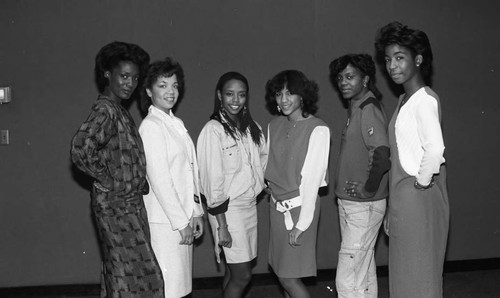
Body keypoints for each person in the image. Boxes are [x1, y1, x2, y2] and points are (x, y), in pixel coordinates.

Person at [70, 41, 164, 297]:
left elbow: (123, 155)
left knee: (122, 274)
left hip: (128, 204)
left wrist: (135, 180)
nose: (130, 83)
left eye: (134, 78)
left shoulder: (119, 111)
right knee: (144, 278)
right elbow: (80, 148)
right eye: (124, 76)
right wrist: (108, 179)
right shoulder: (106, 111)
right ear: (107, 74)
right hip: (116, 207)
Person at [375, 21, 449, 297]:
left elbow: (435, 149)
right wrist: (395, 206)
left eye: (399, 58)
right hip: (404, 198)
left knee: (419, 273)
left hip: (417, 197)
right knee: (406, 274)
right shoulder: (406, 99)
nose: (392, 66)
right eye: (387, 60)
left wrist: (418, 186)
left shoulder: (424, 100)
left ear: (417, 60)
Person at [197, 71, 267, 297]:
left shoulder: (251, 127)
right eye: (229, 94)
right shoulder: (213, 130)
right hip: (227, 210)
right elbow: (211, 181)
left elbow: (262, 160)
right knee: (243, 275)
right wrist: (222, 225)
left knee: (232, 270)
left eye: (241, 95)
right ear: (219, 95)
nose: (235, 100)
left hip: (248, 207)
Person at [138, 57, 204, 298]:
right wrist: (180, 222)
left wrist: (196, 211)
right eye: (162, 85)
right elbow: (160, 180)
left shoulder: (175, 123)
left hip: (182, 218)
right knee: (169, 289)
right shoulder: (151, 126)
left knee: (181, 288)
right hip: (165, 223)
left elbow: (190, 172)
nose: (170, 91)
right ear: (148, 91)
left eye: (175, 85)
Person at [329, 54, 390, 297]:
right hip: (352, 204)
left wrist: (368, 189)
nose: (343, 82)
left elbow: (382, 154)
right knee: (362, 274)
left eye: (350, 76)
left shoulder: (368, 107)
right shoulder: (356, 106)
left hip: (363, 206)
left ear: (365, 79)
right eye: (340, 77)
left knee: (348, 278)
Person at [264, 70, 330, 298]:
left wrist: (302, 223)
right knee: (282, 272)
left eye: (290, 93)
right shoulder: (274, 125)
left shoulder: (318, 129)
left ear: (302, 96)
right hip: (276, 209)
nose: (283, 99)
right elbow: (270, 164)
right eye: (278, 93)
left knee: (288, 277)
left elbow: (311, 182)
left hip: (301, 210)